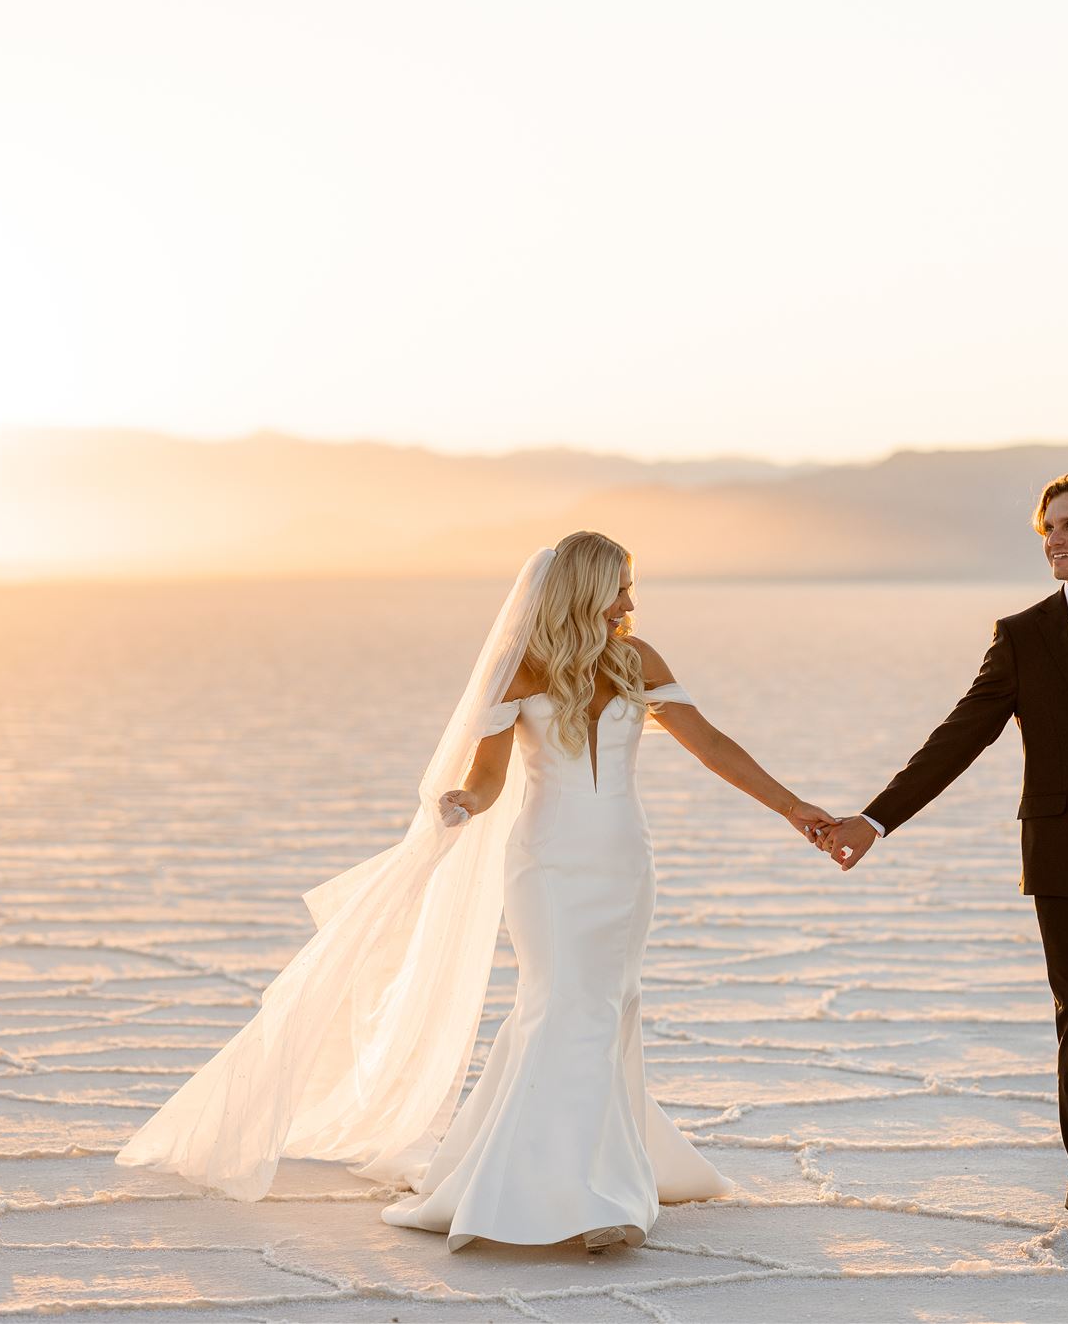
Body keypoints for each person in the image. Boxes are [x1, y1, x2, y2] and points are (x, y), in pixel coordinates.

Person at [117, 531, 835, 1254]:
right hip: (548, 865)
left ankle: (602, 1168)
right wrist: (465, 797)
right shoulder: (520, 669)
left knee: (608, 1002)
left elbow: (711, 745)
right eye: (619, 585)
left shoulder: (637, 661)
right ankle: (577, 1194)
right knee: (560, 1004)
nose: (631, 600)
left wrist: (794, 806)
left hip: (623, 862)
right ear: (583, 589)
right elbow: (491, 775)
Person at [815, 472, 1068, 1264]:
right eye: (1046, 528)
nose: (1054, 540)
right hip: (1064, 864)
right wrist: (875, 819)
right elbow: (960, 735)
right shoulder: (1023, 633)